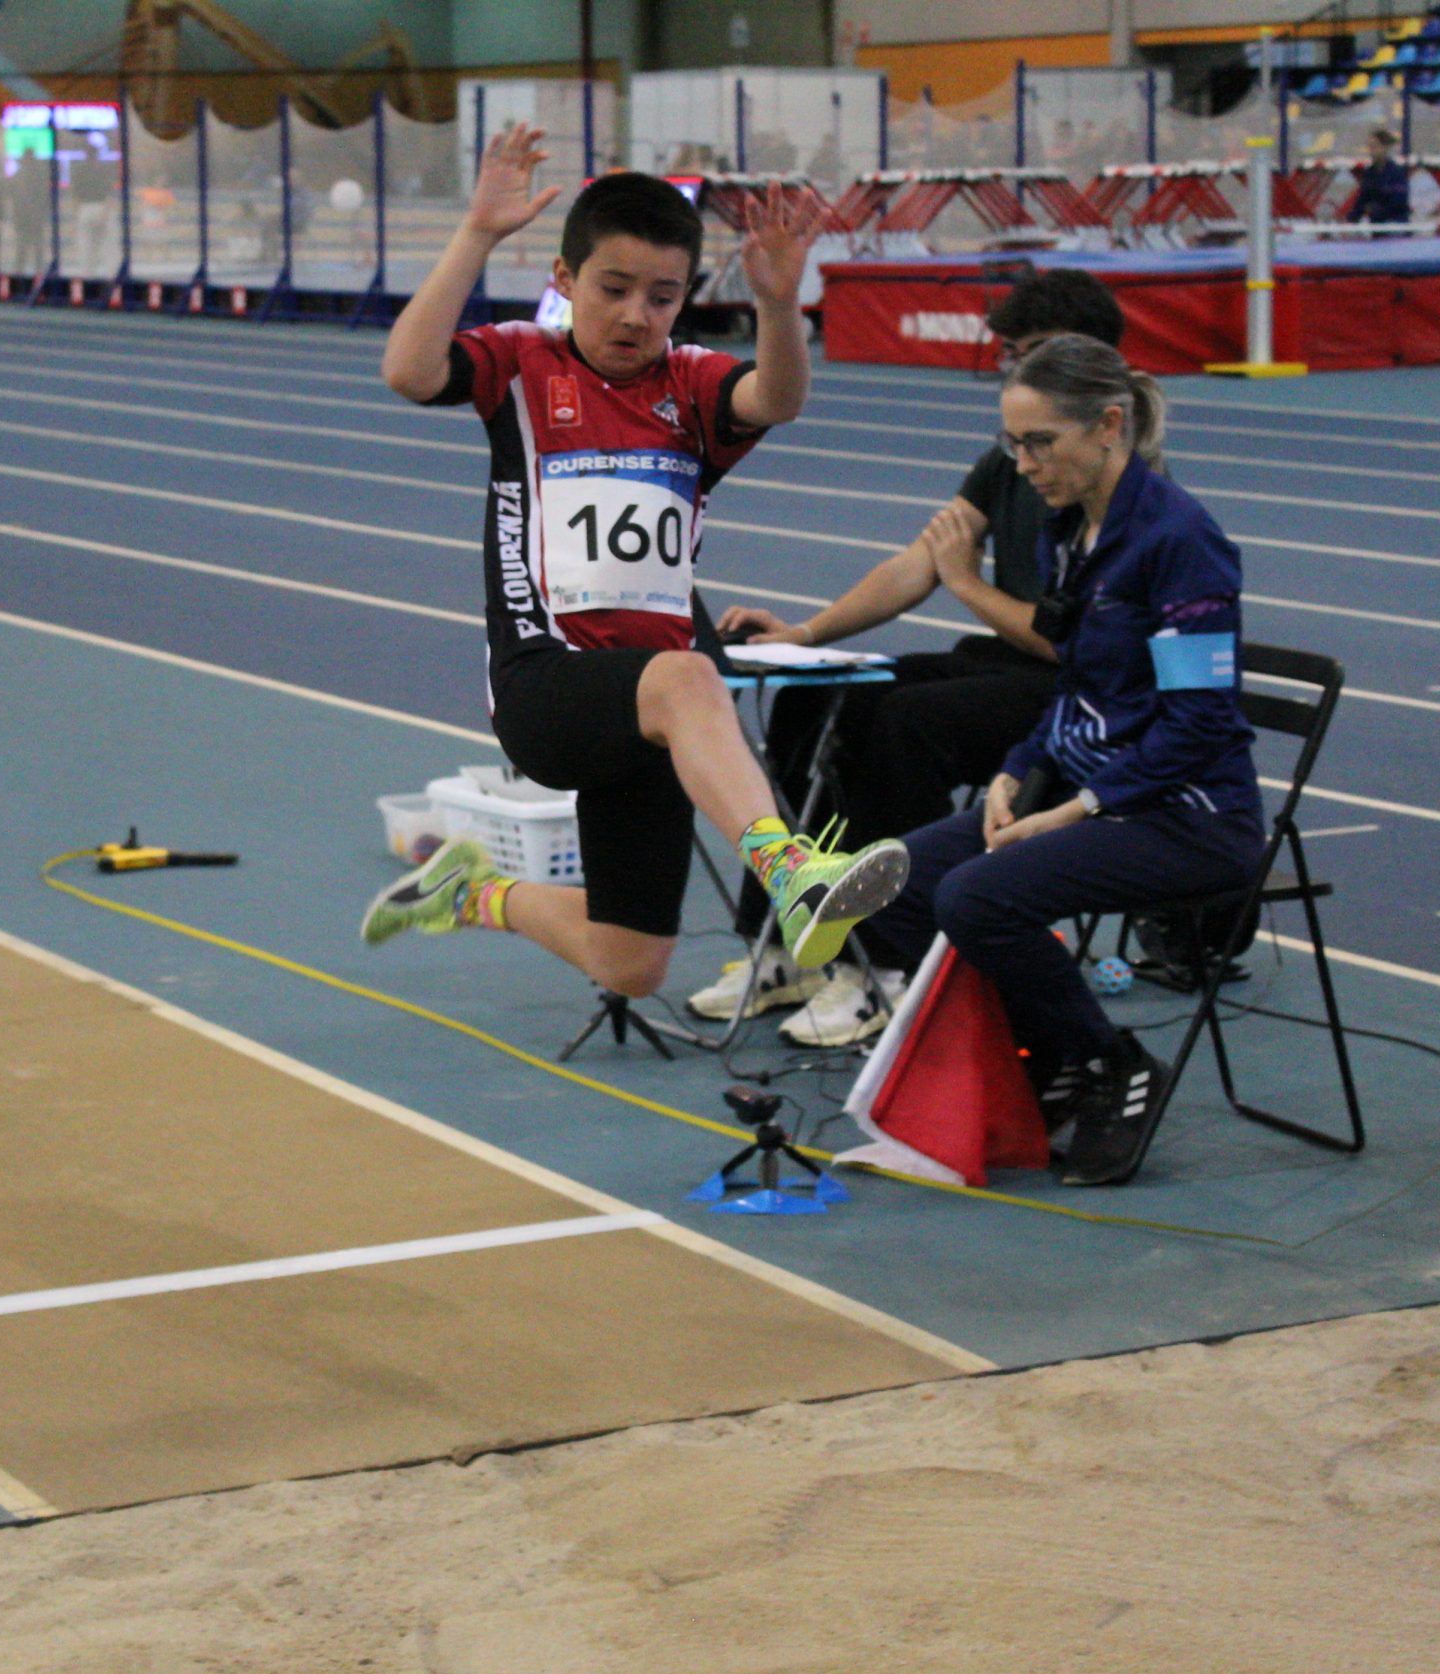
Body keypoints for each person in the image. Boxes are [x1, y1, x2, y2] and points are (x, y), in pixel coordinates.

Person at [362, 129, 909, 1000]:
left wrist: (778, 305)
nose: (634, 315)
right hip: (548, 683)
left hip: (657, 712)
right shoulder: (523, 363)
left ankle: (471, 890)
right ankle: (791, 869)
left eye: (661, 297)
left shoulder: (690, 383)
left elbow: (777, 397)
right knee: (693, 673)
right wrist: (478, 232)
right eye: (612, 290)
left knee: (630, 963)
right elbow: (407, 369)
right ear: (565, 280)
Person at [858, 334, 1264, 1188]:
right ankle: (1045, 1059)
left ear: (1109, 425)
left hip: (1187, 814)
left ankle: (1110, 1061)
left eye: (1040, 442)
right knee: (887, 883)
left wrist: (1078, 808)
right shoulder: (1070, 533)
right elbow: (1077, 683)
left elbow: (1197, 723)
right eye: (1013, 443)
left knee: (977, 895)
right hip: (1089, 789)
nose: (1024, 464)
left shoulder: (1179, 541)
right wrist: (1015, 770)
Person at [698, 269, 1125, 1046]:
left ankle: (892, 963)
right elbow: (920, 563)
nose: (1018, 374)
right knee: (816, 699)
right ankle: (792, 940)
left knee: (906, 723)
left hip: (1080, 695)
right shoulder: (1012, 458)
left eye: (1031, 353)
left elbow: (1074, 643)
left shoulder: (1120, 482)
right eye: (1013, 356)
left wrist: (969, 584)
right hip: (1003, 663)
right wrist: (803, 635)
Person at [1346, 127, 1411, 230]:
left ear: (1385, 148)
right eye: (1370, 147)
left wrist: (1376, 209)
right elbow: (1362, 199)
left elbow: (1399, 202)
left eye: (1375, 147)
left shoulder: (1397, 172)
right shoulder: (1368, 173)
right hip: (1376, 224)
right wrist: (1350, 220)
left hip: (1396, 224)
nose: (1371, 151)